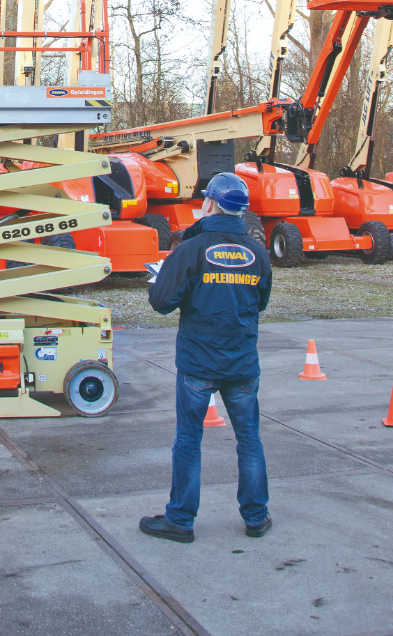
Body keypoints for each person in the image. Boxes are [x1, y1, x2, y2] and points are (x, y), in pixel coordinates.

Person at [140, 171, 272, 543]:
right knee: (249, 440)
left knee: (188, 441)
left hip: (198, 362)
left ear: (210, 204)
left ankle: (180, 520)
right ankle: (256, 517)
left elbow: (161, 303)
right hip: (243, 362)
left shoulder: (190, 250)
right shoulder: (258, 251)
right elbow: (261, 302)